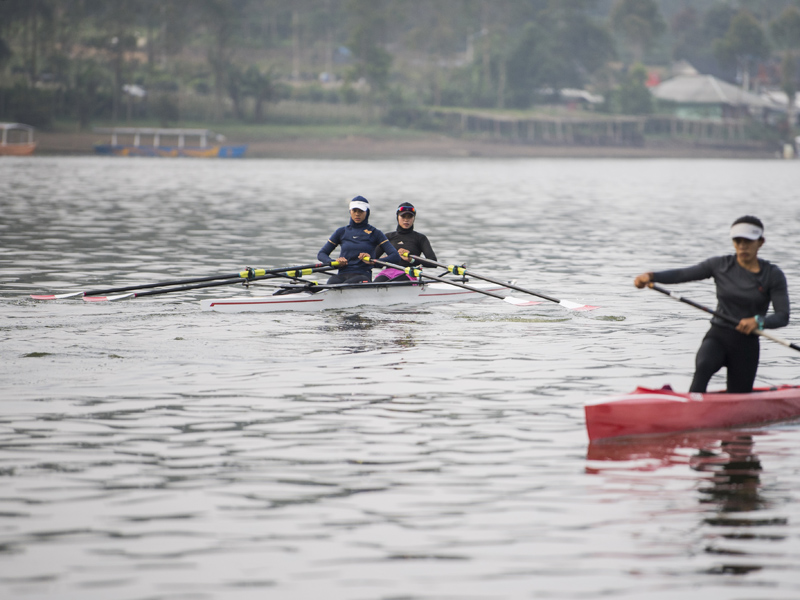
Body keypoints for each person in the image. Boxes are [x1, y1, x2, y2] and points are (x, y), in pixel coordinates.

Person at [634, 215, 789, 393]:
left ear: (760, 242)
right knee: (704, 365)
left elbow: (782, 316)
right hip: (718, 336)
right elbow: (682, 274)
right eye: (737, 241)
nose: (742, 246)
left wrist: (758, 321)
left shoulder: (772, 275)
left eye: (748, 241)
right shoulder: (719, 265)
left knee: (738, 396)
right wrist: (651, 276)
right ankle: (690, 407)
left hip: (746, 345)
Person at [317, 196, 402, 285]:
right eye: (354, 211)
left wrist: (373, 262)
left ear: (367, 212)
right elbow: (322, 254)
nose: (357, 214)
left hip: (362, 276)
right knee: (332, 282)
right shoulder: (341, 232)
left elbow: (395, 256)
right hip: (342, 274)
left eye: (361, 211)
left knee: (347, 284)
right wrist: (333, 262)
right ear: (350, 211)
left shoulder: (375, 233)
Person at [374, 202, 438, 282]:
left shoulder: (420, 238)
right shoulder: (388, 237)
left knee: (395, 283)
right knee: (377, 283)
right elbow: (372, 260)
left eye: (410, 216)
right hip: (387, 272)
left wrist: (411, 259)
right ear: (397, 217)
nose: (406, 220)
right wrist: (384, 261)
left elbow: (433, 263)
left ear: (414, 218)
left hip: (408, 273)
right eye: (403, 216)